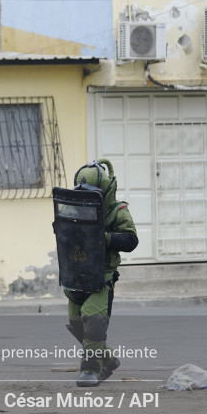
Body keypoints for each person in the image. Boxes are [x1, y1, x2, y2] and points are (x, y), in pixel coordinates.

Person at [63, 159, 138, 387]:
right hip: (76, 273)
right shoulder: (74, 208)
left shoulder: (117, 211)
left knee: (94, 321)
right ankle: (109, 360)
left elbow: (131, 240)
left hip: (102, 275)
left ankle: (90, 370)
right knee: (77, 323)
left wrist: (104, 238)